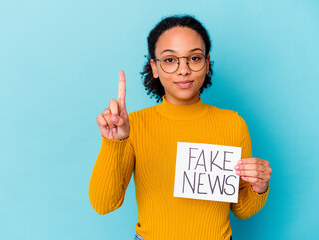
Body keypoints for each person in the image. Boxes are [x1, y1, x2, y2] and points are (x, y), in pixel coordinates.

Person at [89, 15, 272, 240]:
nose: (183, 69)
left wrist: (259, 187)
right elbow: (103, 204)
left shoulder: (233, 124)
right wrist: (113, 143)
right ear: (154, 68)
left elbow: (242, 210)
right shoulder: (133, 126)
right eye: (169, 60)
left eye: (194, 58)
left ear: (206, 64)